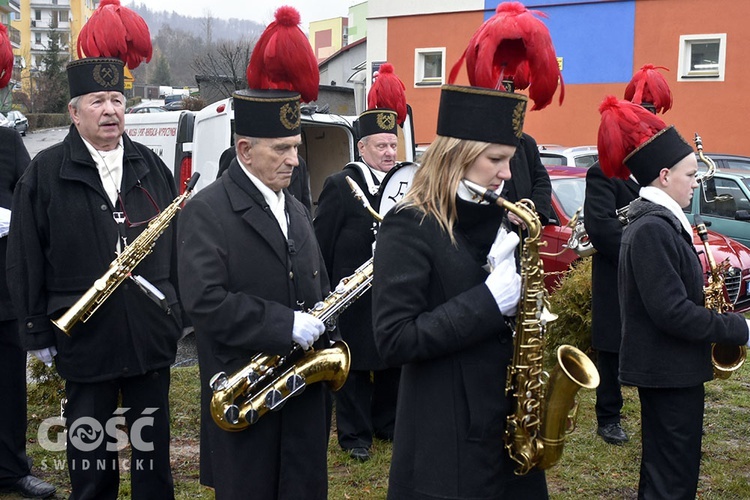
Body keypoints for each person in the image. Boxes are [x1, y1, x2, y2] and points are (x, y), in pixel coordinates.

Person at [7, 50, 181, 500]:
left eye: (117, 100)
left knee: (153, 458)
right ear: (74, 111)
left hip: (148, 334)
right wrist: (35, 330)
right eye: (97, 101)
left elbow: (178, 245)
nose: (110, 110)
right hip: (84, 336)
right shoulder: (44, 174)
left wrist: (176, 307)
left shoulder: (150, 166)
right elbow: (24, 257)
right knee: (91, 460)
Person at [177, 6, 332, 499]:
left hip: (301, 400)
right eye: (281, 149)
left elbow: (315, 282)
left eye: (295, 146)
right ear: (244, 151)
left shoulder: (296, 206)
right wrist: (282, 323)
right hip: (246, 400)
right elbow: (204, 303)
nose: (294, 158)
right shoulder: (207, 210)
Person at [372, 80, 553, 498]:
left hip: (510, 428)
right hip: (446, 442)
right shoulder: (409, 225)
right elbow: (394, 339)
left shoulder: (504, 220)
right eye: (496, 160)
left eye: (510, 160)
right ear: (458, 155)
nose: (507, 174)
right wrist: (489, 302)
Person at [598, 96, 750, 499]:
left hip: (673, 369)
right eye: (689, 174)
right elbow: (671, 312)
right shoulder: (652, 229)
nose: (696, 181)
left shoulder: (658, 222)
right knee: (672, 478)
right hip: (666, 371)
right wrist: (739, 328)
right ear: (664, 176)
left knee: (669, 470)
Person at [584, 64, 674, 445]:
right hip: (617, 271)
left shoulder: (659, 171)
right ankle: (608, 416)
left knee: (655, 340)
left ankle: (659, 407)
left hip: (652, 272)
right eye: (644, 114)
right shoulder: (604, 173)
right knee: (611, 347)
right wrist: (638, 252)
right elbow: (601, 227)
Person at [314, 106, 402, 462]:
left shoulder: (403, 184)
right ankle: (354, 435)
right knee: (353, 363)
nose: (389, 153)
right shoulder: (340, 185)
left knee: (390, 357)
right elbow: (322, 243)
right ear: (361, 148)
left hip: (392, 290)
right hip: (350, 294)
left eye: (393, 145)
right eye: (381, 146)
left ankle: (387, 423)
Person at [0, 123, 57, 498]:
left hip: (1, 293)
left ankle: (10, 470)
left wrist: (8, 218)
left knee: (7, 385)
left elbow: (28, 199)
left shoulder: (5, 140)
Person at [217, 145, 312, 211]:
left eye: (295, 146)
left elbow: (305, 206)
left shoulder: (299, 163)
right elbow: (222, 202)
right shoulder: (233, 156)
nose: (292, 161)